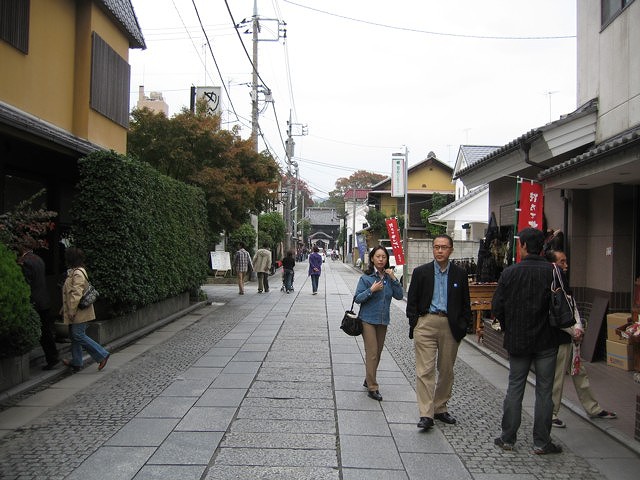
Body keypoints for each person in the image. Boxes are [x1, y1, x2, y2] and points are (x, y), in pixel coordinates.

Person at [492, 228, 561, 455]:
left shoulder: (510, 273)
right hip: (547, 339)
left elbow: (497, 307)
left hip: (518, 338)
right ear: (542, 247)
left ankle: (508, 437)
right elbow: (564, 303)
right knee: (544, 391)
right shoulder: (553, 272)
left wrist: (508, 325)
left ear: (522, 245)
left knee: (515, 387)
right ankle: (542, 442)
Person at [406, 234, 471, 430]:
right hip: (426, 323)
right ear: (432, 249)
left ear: (451, 250)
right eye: (436, 247)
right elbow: (412, 301)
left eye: (444, 247)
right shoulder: (421, 272)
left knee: (446, 370)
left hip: (450, 325)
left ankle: (440, 407)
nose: (440, 251)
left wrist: (463, 325)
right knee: (424, 370)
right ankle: (426, 414)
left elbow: (465, 303)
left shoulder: (460, 274)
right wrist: (415, 322)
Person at [545, 250, 617, 427]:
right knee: (558, 377)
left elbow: (572, 307)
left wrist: (578, 327)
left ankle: (593, 408)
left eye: (566, 261)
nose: (566, 265)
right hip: (560, 338)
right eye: (562, 262)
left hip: (571, 337)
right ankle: (551, 413)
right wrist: (574, 330)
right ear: (553, 264)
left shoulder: (563, 282)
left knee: (579, 372)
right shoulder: (550, 282)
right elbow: (555, 314)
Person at [355, 245, 404, 401]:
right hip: (367, 320)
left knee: (378, 353)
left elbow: (399, 295)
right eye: (378, 256)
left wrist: (395, 279)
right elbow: (357, 298)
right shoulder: (366, 278)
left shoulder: (389, 278)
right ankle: (372, 387)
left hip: (383, 320)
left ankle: (368, 378)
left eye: (384, 257)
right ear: (372, 259)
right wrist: (371, 290)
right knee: (372, 352)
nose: (381, 259)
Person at [60, 247, 109, 372]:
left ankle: (102, 354)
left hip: (78, 311)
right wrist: (64, 308)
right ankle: (76, 361)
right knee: (74, 335)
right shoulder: (74, 272)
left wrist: (71, 310)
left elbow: (76, 293)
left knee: (78, 334)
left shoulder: (77, 273)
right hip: (75, 310)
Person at [17, 243, 59, 370]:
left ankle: (52, 358)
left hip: (35, 301)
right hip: (44, 299)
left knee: (43, 332)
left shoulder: (25, 262)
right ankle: (53, 356)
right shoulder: (38, 259)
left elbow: (27, 282)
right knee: (46, 331)